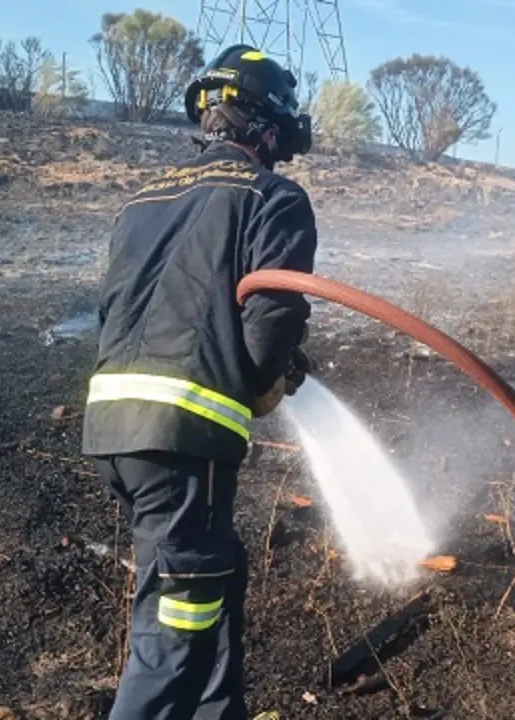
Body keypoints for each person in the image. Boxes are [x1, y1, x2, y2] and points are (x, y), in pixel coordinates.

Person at [81, 44, 317, 720]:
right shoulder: (275, 198)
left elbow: (126, 307)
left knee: (211, 574)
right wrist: (259, 382)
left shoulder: (141, 202)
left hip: (115, 430)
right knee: (175, 632)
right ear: (267, 130)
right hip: (184, 437)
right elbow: (272, 313)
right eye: (280, 139)